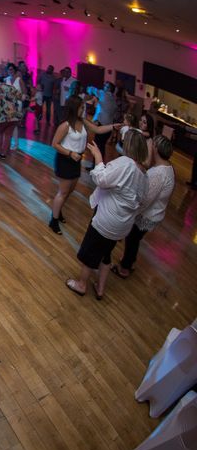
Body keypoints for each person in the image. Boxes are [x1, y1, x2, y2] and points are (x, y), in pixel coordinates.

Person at [66, 130, 148, 299]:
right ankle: (100, 288)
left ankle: (82, 284)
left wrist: (98, 156)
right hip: (122, 225)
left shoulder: (126, 163)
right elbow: (141, 202)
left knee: (90, 252)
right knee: (106, 253)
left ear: (129, 146)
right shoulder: (144, 175)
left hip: (106, 221)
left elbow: (101, 179)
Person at [49, 96, 121, 234]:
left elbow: (98, 130)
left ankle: (58, 212)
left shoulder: (82, 122)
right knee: (63, 192)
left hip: (76, 160)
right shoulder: (65, 125)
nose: (84, 109)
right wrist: (70, 153)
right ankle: (54, 220)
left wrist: (113, 126)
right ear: (74, 108)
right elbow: (54, 144)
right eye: (82, 107)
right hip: (66, 160)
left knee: (70, 191)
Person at [113, 135, 175, 278]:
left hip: (147, 215)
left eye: (152, 145)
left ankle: (125, 268)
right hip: (154, 214)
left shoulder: (159, 174)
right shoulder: (167, 167)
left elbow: (146, 200)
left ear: (156, 149)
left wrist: (129, 213)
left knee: (132, 239)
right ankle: (130, 262)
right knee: (134, 239)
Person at [0, 75, 22, 160]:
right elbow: (20, 97)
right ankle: (4, 154)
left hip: (1, 115)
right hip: (13, 115)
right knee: (8, 135)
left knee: (0, 133)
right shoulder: (12, 88)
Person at [92, 81, 118, 160]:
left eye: (105, 86)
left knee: (97, 146)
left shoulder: (104, 94)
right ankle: (97, 165)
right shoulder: (113, 99)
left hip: (102, 126)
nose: (103, 87)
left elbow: (92, 89)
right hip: (109, 128)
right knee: (101, 147)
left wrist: (89, 88)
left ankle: (95, 166)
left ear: (109, 89)